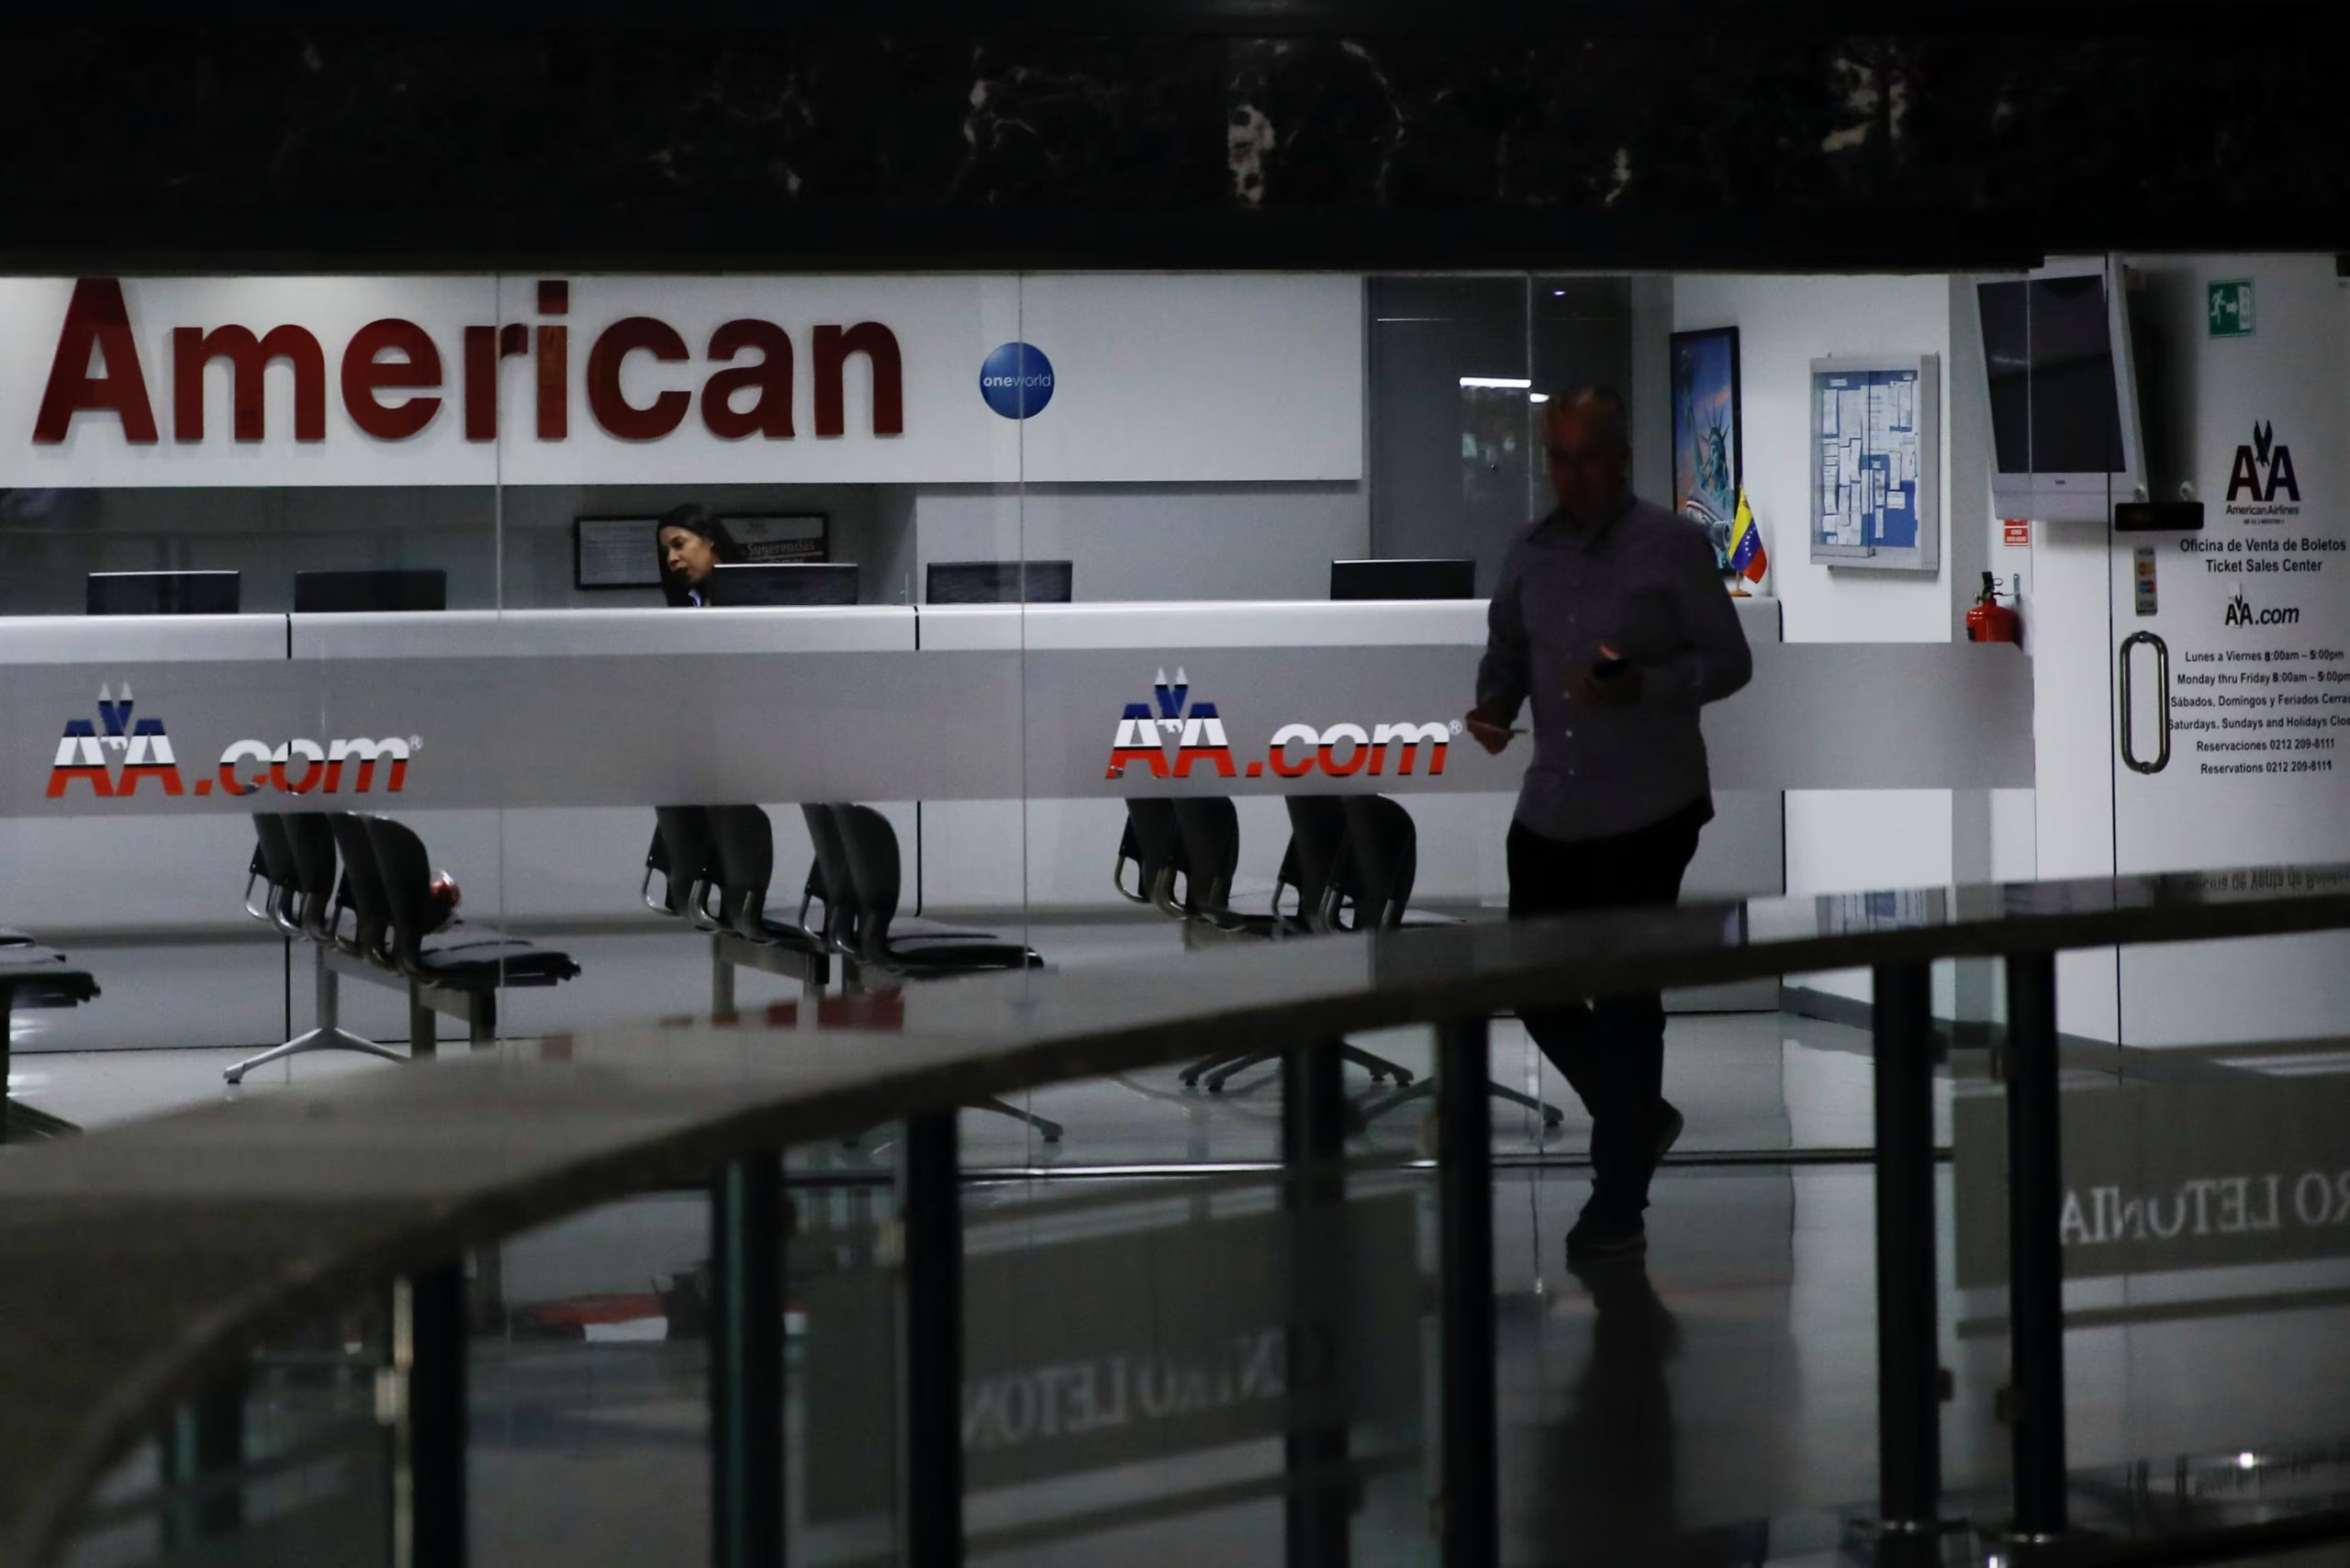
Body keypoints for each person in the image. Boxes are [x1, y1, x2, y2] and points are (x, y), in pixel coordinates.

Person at [1467, 384, 1752, 1260]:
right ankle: (1639, 1115)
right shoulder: (1527, 551)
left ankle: (1616, 1206)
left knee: (1629, 1001)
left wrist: (1647, 687)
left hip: (1648, 805)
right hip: (1553, 798)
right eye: (1559, 457)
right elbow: (1508, 648)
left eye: (1588, 456)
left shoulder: (1670, 546)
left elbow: (1730, 661)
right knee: (1531, 981)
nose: (1572, 474)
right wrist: (1491, 704)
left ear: (1621, 457)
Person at [657, 504, 741, 607]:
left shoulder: (752, 590)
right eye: (665, 553)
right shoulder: (688, 602)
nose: (671, 558)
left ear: (709, 538)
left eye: (679, 544)